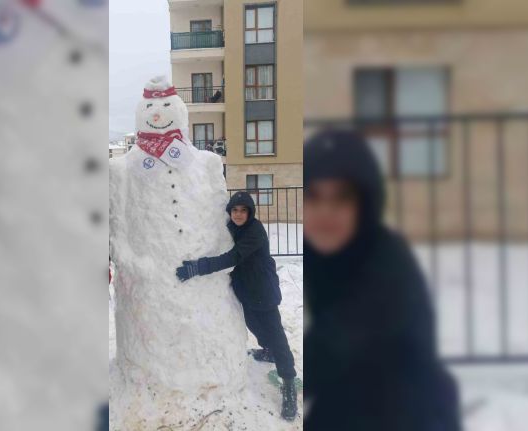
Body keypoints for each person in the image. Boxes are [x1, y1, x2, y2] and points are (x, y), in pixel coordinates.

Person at [303, 129, 462, 431]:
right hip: (353, 398)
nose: (325, 211)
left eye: (341, 198)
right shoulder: (324, 255)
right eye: (313, 196)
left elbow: (332, 345)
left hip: (413, 412)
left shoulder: (387, 264)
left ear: (364, 204)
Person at [175, 191, 298, 421]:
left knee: (276, 335)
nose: (238, 214)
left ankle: (288, 383)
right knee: (254, 324)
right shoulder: (235, 228)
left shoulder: (254, 231)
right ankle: (268, 351)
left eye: (243, 210)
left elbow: (232, 257)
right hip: (247, 291)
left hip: (263, 290)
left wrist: (198, 267)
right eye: (234, 210)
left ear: (250, 213)